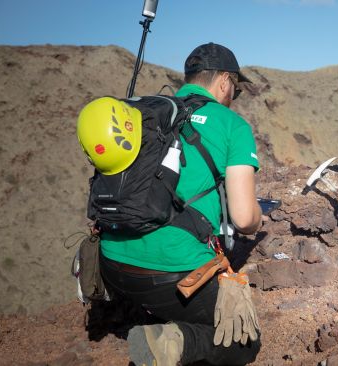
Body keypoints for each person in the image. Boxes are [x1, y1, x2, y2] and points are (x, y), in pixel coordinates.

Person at [97, 43, 262, 365]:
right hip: (169, 274)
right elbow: (243, 219)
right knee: (244, 341)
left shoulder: (145, 113)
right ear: (225, 81)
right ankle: (169, 340)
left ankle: (154, 319)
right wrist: (260, 220)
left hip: (110, 264)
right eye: (236, 90)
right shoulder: (231, 124)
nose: (234, 97)